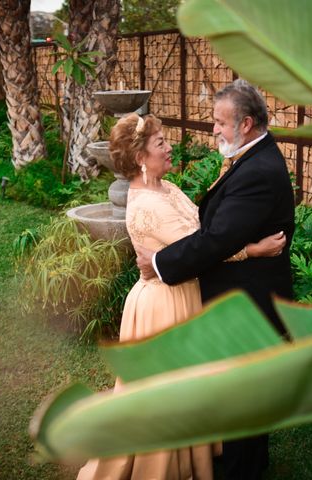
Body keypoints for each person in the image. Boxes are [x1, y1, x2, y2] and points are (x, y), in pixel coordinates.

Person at [76, 112, 286, 480]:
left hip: (184, 293)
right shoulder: (146, 206)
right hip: (164, 304)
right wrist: (253, 250)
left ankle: (193, 455)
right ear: (141, 157)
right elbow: (201, 247)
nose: (170, 146)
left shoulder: (165, 187)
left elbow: (204, 229)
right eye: (160, 143)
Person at [136, 79, 296, 480]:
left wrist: (159, 263)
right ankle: (246, 460)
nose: (213, 129)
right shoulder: (253, 156)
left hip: (248, 302)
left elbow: (218, 239)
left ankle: (243, 469)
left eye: (219, 122)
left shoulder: (258, 169)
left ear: (245, 124)